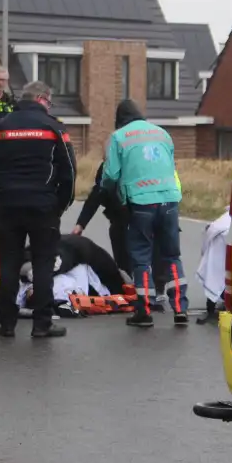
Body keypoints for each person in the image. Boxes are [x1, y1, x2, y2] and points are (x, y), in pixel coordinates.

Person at [0, 81, 76, 338]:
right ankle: (41, 324)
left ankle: (7, 324)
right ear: (43, 99)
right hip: (44, 207)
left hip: (8, 207)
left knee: (10, 264)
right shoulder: (54, 128)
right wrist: (60, 206)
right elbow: (69, 173)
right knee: (43, 265)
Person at [101, 99, 189, 328]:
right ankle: (180, 309)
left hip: (141, 203)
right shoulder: (162, 134)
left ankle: (144, 311)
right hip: (169, 200)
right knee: (172, 255)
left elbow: (110, 174)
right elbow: (171, 166)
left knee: (141, 257)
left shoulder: (119, 137)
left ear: (119, 119)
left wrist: (109, 192)